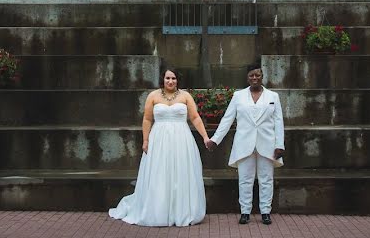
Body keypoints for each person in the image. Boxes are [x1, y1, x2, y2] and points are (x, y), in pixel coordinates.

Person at [109, 68, 212, 226]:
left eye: (174, 78)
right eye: (168, 78)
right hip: (159, 139)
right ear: (162, 79)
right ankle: (158, 211)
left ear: (178, 80)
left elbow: (195, 117)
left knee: (180, 172)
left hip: (181, 140)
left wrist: (205, 137)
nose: (171, 81)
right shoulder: (153, 96)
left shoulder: (185, 96)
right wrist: (145, 140)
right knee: (160, 172)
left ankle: (181, 211)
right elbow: (147, 119)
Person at [207, 64, 285, 225]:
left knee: (266, 179)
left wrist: (280, 144)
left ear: (262, 76)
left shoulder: (273, 96)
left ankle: (265, 212)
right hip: (244, 143)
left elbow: (279, 122)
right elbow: (227, 119)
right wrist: (215, 139)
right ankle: (245, 212)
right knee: (245, 179)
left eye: (257, 75)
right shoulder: (238, 96)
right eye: (251, 75)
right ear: (247, 77)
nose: (254, 78)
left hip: (267, 143)